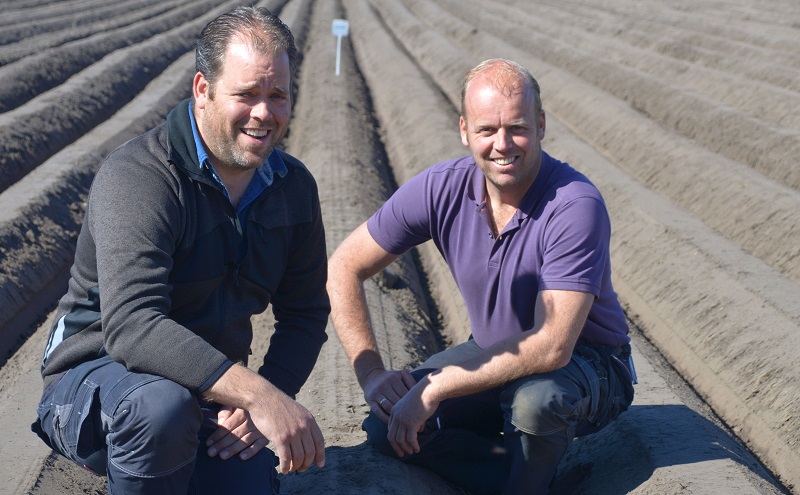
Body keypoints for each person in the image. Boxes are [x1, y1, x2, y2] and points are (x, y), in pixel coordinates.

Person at [31, 7, 329, 494]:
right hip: (94, 379)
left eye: (277, 95)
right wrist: (259, 394)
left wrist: (264, 402)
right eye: (246, 94)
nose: (264, 113)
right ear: (202, 90)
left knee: (247, 483)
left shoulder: (292, 186)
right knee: (158, 411)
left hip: (203, 390)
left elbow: (305, 312)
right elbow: (133, 327)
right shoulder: (142, 176)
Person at [327, 59, 635, 494]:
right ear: (464, 131)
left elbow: (552, 346)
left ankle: (525, 485)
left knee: (535, 403)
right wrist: (373, 374)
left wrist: (438, 388)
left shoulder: (574, 204)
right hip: (492, 351)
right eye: (487, 129)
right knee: (387, 427)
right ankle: (516, 476)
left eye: (517, 127)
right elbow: (343, 266)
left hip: (589, 363)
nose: (503, 144)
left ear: (541, 124)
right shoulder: (441, 189)